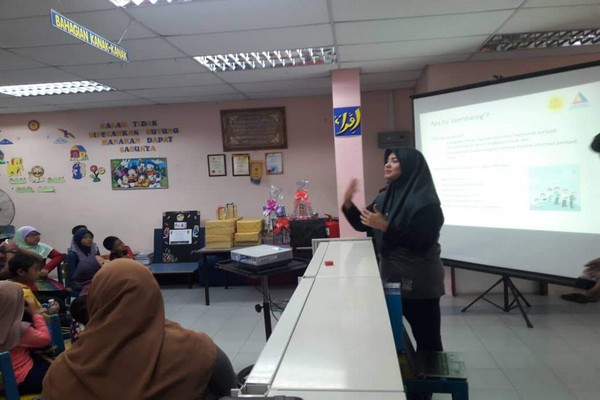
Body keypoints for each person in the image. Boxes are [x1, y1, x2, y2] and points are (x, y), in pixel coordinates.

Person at [42, 259, 238, 400]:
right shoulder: (197, 350)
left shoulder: (63, 371)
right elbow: (232, 392)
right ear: (153, 295)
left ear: (95, 299)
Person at [342, 147, 445, 352]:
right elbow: (363, 223)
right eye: (387, 161)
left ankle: (430, 372)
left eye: (395, 161)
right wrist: (347, 203)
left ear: (410, 166)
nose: (387, 165)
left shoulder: (427, 203)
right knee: (391, 337)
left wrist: (384, 226)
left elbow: (421, 243)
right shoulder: (386, 196)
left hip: (419, 282)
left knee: (427, 339)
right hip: (391, 277)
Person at [0, 281, 52, 395]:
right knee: (58, 369)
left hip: (3, 382)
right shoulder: (19, 329)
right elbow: (45, 339)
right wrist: (36, 314)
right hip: (20, 380)